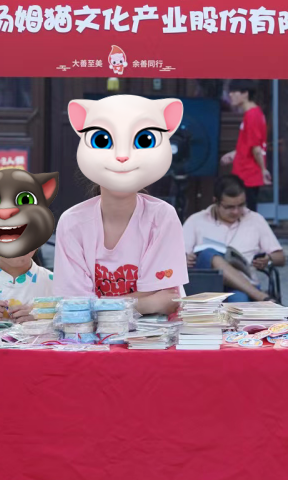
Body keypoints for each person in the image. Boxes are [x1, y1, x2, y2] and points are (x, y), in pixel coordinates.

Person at [54, 95, 189, 316]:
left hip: (156, 330)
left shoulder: (162, 216)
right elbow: (74, 304)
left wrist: (95, 305)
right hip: (93, 332)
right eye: (102, 141)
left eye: (142, 141)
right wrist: (142, 302)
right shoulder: (72, 223)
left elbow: (166, 299)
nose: (122, 157)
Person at [183, 174, 285, 302]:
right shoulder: (196, 221)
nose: (236, 211)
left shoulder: (255, 220)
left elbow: (281, 257)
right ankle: (262, 297)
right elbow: (175, 257)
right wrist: (184, 259)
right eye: (229, 207)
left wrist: (268, 259)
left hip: (243, 285)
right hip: (206, 285)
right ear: (215, 201)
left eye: (241, 205)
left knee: (239, 300)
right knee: (208, 253)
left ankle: (255, 295)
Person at [220, 80, 271, 212]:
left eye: (234, 92)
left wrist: (263, 170)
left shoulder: (252, 115)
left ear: (245, 94)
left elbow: (256, 148)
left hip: (248, 173)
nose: (230, 95)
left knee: (246, 212)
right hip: (244, 171)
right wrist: (234, 154)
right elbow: (249, 144)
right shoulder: (253, 113)